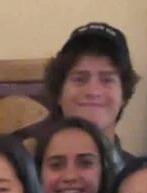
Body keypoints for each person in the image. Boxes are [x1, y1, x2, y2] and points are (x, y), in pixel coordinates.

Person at [39, 22, 139, 170]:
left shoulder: (139, 178)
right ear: (59, 93)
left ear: (124, 95)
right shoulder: (29, 175)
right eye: (80, 79)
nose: (93, 91)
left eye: (107, 80)